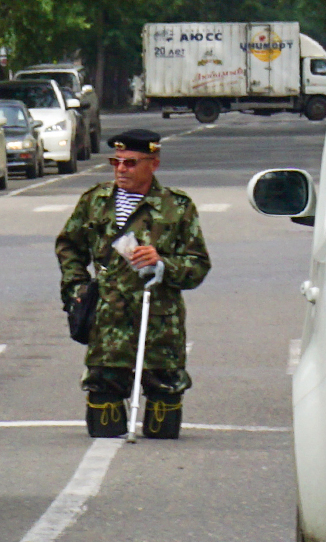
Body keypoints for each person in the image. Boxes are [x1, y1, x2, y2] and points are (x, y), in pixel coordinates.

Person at [55, 129, 210, 438]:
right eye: (116, 162)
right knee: (103, 418)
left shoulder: (176, 207)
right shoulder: (96, 201)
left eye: (130, 163)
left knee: (163, 424)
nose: (120, 169)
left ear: (152, 164)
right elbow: (69, 246)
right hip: (108, 320)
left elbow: (198, 264)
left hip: (159, 322)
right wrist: (77, 289)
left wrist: (163, 264)